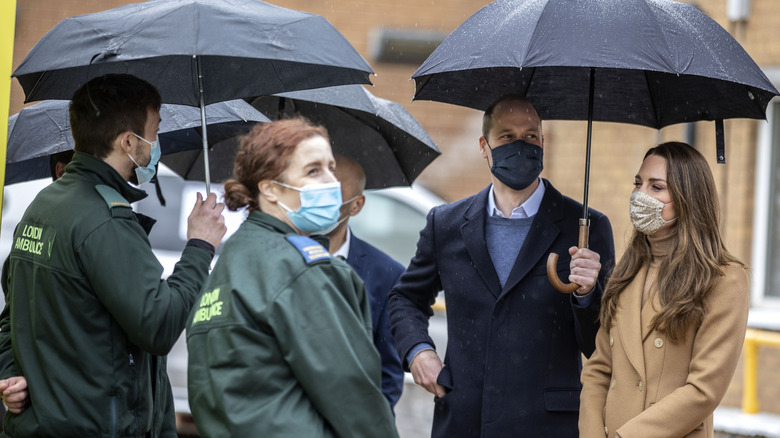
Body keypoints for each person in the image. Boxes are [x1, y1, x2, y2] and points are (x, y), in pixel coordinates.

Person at [0, 73, 226, 438]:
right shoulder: (105, 220)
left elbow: (11, 319)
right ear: (128, 142)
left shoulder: (46, 203)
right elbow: (160, 326)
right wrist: (200, 246)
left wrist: (8, 373)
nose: (155, 144)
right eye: (153, 133)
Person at [388, 94, 616, 437]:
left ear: (543, 142)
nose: (521, 146)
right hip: (463, 420)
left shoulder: (586, 227)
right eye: (507, 136)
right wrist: (419, 351)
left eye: (531, 136)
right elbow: (405, 299)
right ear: (484, 146)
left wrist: (587, 295)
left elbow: (601, 344)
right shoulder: (445, 224)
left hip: (547, 426)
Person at [186, 118, 399, 438]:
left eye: (330, 167)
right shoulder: (301, 268)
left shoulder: (234, 258)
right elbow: (351, 393)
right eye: (313, 170)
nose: (331, 180)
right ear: (270, 188)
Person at [579, 142, 749, 438]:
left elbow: (703, 391)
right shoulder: (627, 271)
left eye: (656, 187)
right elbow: (599, 371)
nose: (640, 195)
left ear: (688, 198)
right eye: (638, 183)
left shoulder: (724, 280)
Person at [326, 154, 405, 410]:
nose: (322, 197)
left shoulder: (385, 273)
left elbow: (388, 372)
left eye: (334, 190)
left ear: (356, 205)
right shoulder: (280, 255)